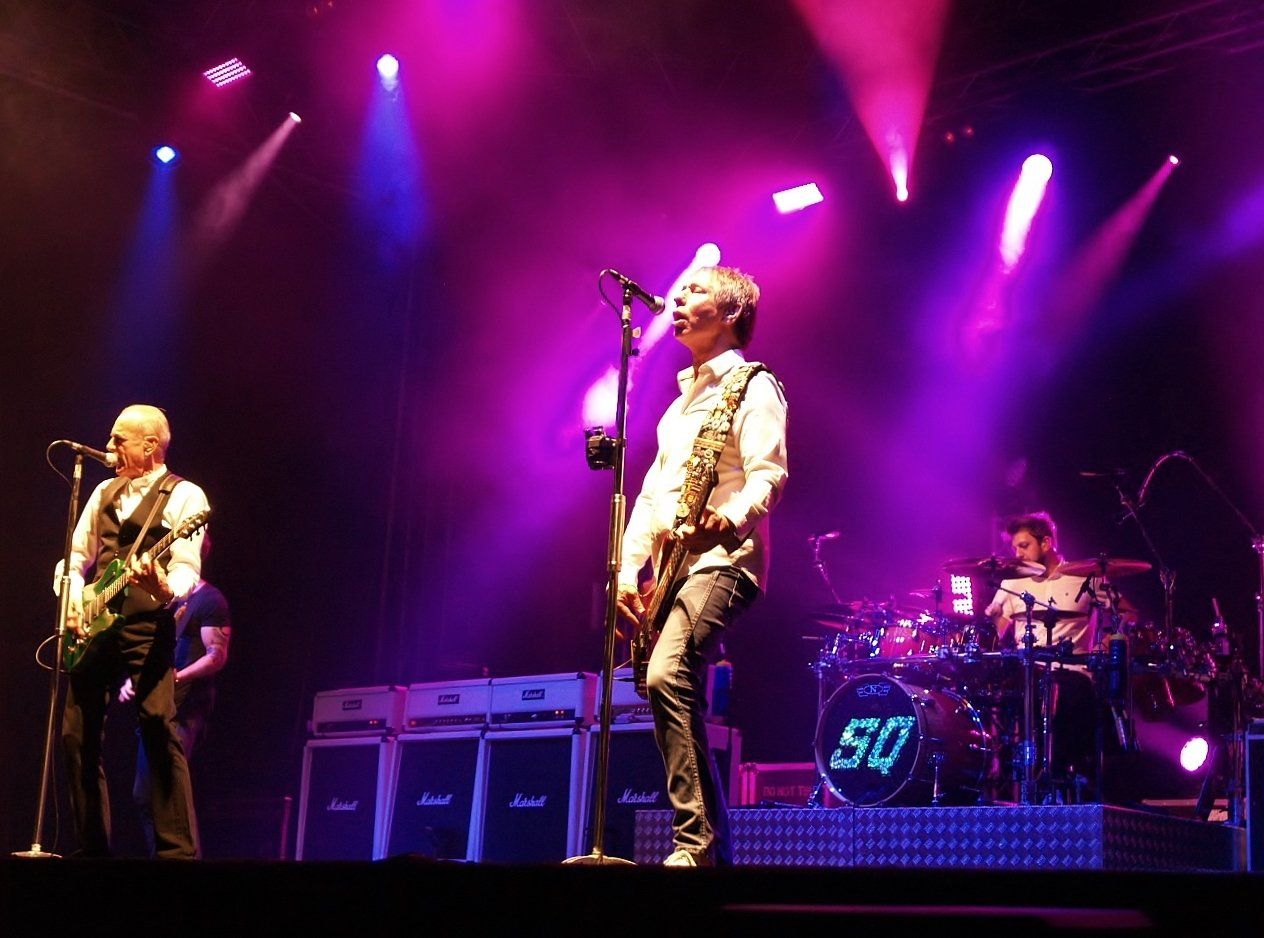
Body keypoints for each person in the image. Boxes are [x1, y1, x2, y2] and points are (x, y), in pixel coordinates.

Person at [615, 265, 788, 867]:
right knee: (661, 683)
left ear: (731, 312)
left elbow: (768, 474)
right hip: (673, 569)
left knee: (668, 674)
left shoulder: (754, 385)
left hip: (724, 560)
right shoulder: (677, 408)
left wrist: (730, 519)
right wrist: (625, 573)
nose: (680, 299)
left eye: (696, 291)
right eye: (680, 290)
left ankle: (697, 844)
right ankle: (709, 846)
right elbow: (651, 500)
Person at [55, 404, 209, 858]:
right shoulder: (102, 490)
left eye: (118, 439)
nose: (108, 447)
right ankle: (91, 852)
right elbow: (74, 558)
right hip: (95, 626)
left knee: (158, 727)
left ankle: (177, 854)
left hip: (148, 624)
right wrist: (73, 600)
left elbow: (186, 566)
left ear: (150, 445)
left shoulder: (186, 496)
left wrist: (165, 589)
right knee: (76, 735)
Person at [983, 511, 1119, 798]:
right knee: (1007, 692)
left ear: (1046, 543)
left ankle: (1063, 776)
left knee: (1067, 698)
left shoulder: (1083, 577)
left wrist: (1105, 644)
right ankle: (1019, 780)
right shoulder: (1012, 581)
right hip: (1026, 671)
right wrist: (995, 616)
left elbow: (1126, 613)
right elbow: (1002, 631)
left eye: (1024, 546)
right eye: (1014, 547)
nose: (1017, 554)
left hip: (1073, 673)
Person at [119, 561, 230, 854]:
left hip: (186, 709)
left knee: (167, 789)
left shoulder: (210, 600)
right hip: (159, 708)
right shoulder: (168, 599)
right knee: (144, 794)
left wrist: (176, 678)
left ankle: (185, 859)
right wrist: (138, 680)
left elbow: (217, 655)